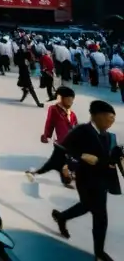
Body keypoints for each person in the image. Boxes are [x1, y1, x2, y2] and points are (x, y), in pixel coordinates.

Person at [52, 100, 120, 261]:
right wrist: (80, 157)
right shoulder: (82, 130)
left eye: (113, 119)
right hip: (85, 178)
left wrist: (117, 156)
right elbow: (63, 149)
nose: (111, 122)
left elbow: (110, 158)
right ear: (96, 116)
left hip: (102, 179)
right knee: (100, 215)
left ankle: (62, 217)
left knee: (88, 207)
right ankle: (99, 252)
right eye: (108, 118)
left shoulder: (110, 137)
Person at [26, 86, 77, 187]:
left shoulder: (72, 114)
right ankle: (34, 173)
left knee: (59, 163)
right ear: (60, 98)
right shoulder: (54, 109)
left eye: (72, 100)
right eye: (68, 99)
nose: (70, 102)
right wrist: (46, 135)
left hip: (70, 144)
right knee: (55, 163)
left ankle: (66, 178)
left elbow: (76, 127)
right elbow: (49, 123)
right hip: (60, 143)